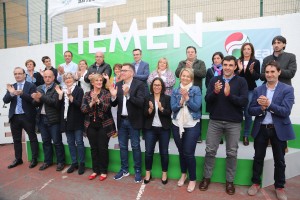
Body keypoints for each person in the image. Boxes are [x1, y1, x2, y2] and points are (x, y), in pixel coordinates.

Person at [200, 56, 248, 195]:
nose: (227, 67)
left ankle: (229, 181)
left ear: (235, 67)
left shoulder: (241, 81)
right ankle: (206, 178)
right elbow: (207, 100)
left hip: (234, 122)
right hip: (215, 121)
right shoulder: (215, 80)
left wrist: (229, 95)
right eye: (225, 64)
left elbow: (244, 102)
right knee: (210, 151)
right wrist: (215, 92)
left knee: (232, 153)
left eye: (230, 65)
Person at [247, 61, 295, 200]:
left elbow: (285, 111)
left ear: (279, 72)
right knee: (258, 158)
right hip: (261, 128)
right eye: (267, 72)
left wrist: (269, 105)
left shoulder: (287, 89)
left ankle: (279, 187)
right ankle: (255, 183)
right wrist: (261, 108)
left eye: (272, 71)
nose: (269, 74)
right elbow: (250, 110)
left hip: (278, 129)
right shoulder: (258, 90)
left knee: (279, 160)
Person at [108, 63, 145, 183]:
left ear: (132, 73)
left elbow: (140, 102)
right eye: (121, 70)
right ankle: (124, 169)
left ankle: (138, 170)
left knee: (135, 146)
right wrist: (113, 97)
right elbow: (113, 104)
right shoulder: (118, 84)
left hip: (133, 121)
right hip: (121, 120)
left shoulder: (139, 84)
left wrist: (127, 94)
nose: (121, 72)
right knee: (122, 146)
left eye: (124, 70)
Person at [171, 68, 202, 193]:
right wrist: (181, 101)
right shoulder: (174, 90)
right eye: (183, 76)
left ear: (191, 78)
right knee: (181, 152)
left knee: (188, 153)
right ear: (180, 77)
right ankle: (183, 174)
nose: (185, 78)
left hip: (192, 125)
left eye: (188, 76)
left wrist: (187, 98)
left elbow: (196, 107)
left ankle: (193, 179)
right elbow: (173, 108)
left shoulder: (196, 89)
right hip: (177, 124)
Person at [81, 74, 116, 181]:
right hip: (91, 125)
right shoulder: (87, 94)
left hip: (104, 125)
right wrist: (91, 102)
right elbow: (83, 109)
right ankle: (95, 170)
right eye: (97, 80)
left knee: (103, 149)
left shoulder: (106, 93)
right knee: (94, 148)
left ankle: (103, 171)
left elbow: (106, 108)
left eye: (101, 80)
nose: (100, 82)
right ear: (92, 82)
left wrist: (98, 101)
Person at [3, 67, 39, 169]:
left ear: (24, 75)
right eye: (15, 74)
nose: (17, 75)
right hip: (14, 117)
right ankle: (18, 159)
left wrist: (22, 94)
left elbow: (34, 102)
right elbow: (5, 100)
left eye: (19, 73)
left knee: (32, 138)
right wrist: (11, 93)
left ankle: (34, 159)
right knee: (16, 140)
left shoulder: (31, 86)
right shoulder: (12, 86)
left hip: (27, 117)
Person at [31, 70, 65, 171]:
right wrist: (36, 100)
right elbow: (35, 104)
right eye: (45, 77)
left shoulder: (57, 88)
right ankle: (47, 161)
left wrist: (41, 96)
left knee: (57, 142)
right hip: (41, 118)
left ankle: (60, 162)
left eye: (49, 77)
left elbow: (54, 103)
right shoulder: (39, 88)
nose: (47, 79)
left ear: (54, 77)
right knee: (45, 142)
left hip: (53, 119)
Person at [55, 73, 85, 175]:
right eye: (66, 78)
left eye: (70, 78)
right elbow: (58, 106)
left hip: (77, 121)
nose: (68, 80)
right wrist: (60, 95)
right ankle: (74, 162)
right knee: (70, 143)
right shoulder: (61, 90)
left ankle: (81, 163)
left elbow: (80, 105)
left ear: (73, 79)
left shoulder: (79, 90)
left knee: (79, 142)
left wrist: (70, 97)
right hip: (66, 121)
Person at [175, 46, 206, 143]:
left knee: (196, 112)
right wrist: (185, 68)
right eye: (188, 52)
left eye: (192, 52)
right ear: (186, 53)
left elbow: (203, 74)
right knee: (182, 110)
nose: (190, 53)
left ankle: (198, 135)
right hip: (183, 91)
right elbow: (177, 73)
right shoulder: (182, 63)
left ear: (195, 53)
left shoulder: (200, 63)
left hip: (195, 92)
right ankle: (183, 131)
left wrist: (191, 69)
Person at [143, 77, 171, 185]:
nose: (157, 87)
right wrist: (149, 110)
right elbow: (144, 114)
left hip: (164, 129)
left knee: (164, 153)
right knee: (148, 153)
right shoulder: (147, 98)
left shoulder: (167, 98)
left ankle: (164, 173)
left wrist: (161, 109)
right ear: (152, 86)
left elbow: (169, 113)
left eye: (159, 85)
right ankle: (148, 173)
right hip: (150, 129)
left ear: (162, 86)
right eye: (155, 85)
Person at [237, 43, 260, 146]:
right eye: (245, 49)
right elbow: (233, 75)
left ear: (251, 51)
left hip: (250, 90)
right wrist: (240, 70)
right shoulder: (238, 61)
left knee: (247, 113)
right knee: (237, 112)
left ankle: (246, 135)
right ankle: (235, 135)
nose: (246, 51)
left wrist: (251, 71)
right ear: (242, 50)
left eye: (248, 49)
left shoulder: (256, 62)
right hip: (238, 90)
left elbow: (257, 77)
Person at [205, 52, 224, 144]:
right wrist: (214, 90)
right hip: (213, 95)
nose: (216, 60)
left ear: (222, 59)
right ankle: (215, 137)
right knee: (212, 116)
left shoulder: (226, 70)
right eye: (214, 58)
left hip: (223, 96)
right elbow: (207, 84)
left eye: (218, 58)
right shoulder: (210, 70)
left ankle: (221, 136)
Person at [104, 63, 122, 138]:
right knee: (114, 115)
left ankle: (123, 131)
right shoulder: (112, 78)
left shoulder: (124, 78)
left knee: (122, 115)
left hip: (122, 99)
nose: (117, 70)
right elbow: (108, 86)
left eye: (119, 69)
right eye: (115, 69)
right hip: (113, 98)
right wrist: (107, 79)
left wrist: (119, 78)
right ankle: (116, 131)